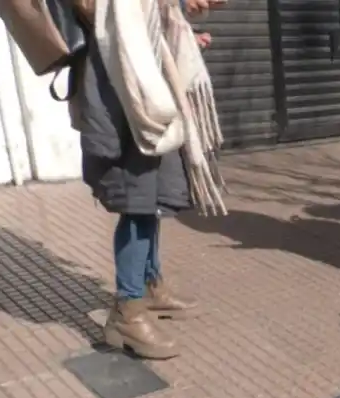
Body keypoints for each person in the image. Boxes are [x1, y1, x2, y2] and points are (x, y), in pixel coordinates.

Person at [73, 0, 228, 359]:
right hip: (125, 96)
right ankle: (127, 312)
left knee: (152, 199)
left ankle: (148, 285)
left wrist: (176, 30)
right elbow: (103, 17)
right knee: (137, 202)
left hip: (145, 90)